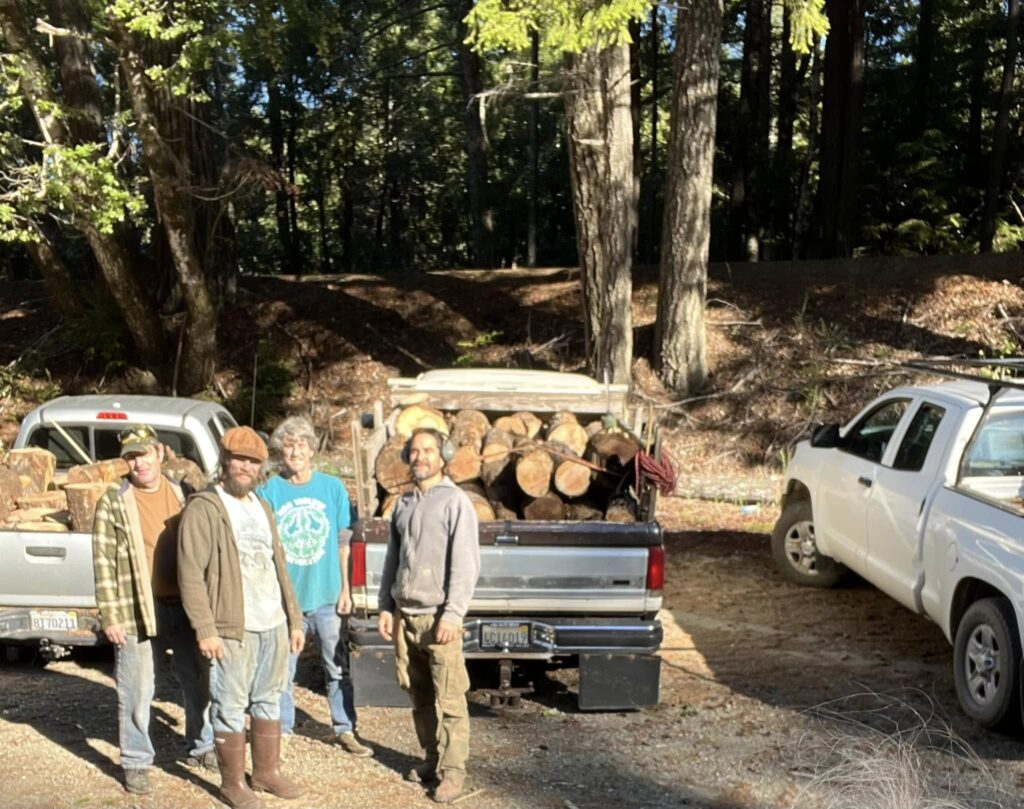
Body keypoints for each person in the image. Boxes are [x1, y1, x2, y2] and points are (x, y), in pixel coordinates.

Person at [178, 426, 306, 809]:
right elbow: (190, 573)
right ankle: (233, 783)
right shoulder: (205, 507)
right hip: (232, 626)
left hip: (273, 623)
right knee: (230, 703)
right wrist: (205, 628)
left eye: (254, 461)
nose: (246, 467)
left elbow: (279, 564)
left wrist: (294, 620)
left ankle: (266, 773)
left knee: (269, 699)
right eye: (240, 459)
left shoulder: (261, 506)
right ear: (225, 461)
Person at [92, 424, 214, 796]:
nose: (138, 463)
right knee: (137, 688)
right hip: (136, 609)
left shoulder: (183, 491)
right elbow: (103, 561)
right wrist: (110, 614)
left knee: (198, 682)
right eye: (130, 457)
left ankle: (202, 745)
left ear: (159, 453)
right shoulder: (113, 499)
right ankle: (135, 760)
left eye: (143, 454)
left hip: (186, 605)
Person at [377, 427, 481, 803]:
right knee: (419, 695)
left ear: (443, 456)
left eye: (428, 450)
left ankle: (453, 774)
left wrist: (452, 615)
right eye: (415, 451)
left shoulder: (456, 503)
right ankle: (432, 757)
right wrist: (386, 607)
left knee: (451, 699)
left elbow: (465, 565)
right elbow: (393, 560)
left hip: (439, 619)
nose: (420, 457)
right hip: (406, 617)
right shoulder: (403, 504)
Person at [258, 416, 371, 757]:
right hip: (286, 600)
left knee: (336, 665)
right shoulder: (269, 491)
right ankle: (283, 729)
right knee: (282, 670)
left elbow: (342, 542)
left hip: (326, 595)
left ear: (312, 450)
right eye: (289, 445)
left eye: (301, 445)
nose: (295, 452)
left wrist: (345, 589)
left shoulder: (332, 488)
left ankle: (345, 728)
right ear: (280, 451)